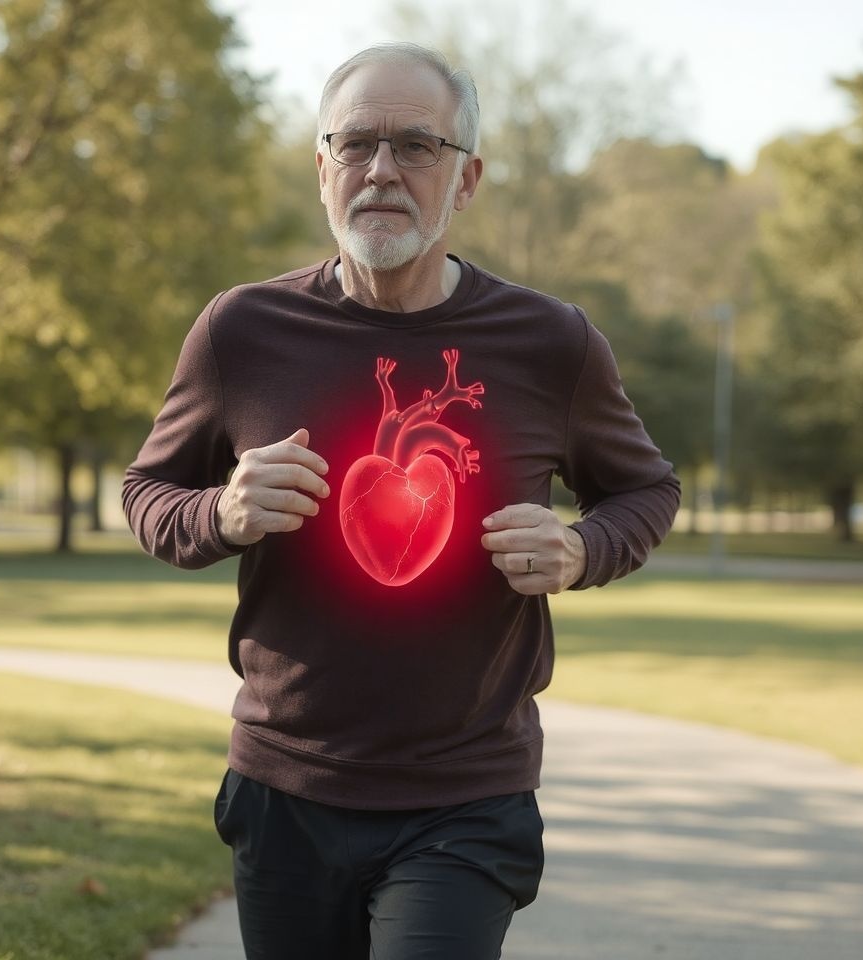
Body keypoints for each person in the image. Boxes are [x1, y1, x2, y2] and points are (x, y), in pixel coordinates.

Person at [122, 42, 680, 960]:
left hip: (465, 795)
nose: (381, 170)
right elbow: (147, 492)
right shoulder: (242, 330)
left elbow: (647, 489)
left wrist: (584, 550)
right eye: (356, 145)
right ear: (322, 170)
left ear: (467, 181)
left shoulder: (551, 343)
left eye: (417, 147)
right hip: (285, 790)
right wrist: (218, 513)